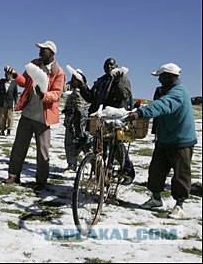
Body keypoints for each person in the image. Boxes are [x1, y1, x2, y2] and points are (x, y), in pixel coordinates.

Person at [127, 63, 197, 219]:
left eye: (161, 76)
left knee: (180, 174)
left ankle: (179, 205)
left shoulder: (178, 92)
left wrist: (141, 113)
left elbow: (163, 105)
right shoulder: (165, 90)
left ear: (171, 76)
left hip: (180, 141)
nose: (159, 79)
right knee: (156, 171)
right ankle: (156, 198)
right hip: (164, 140)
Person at [2, 40, 66, 192]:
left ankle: (41, 181)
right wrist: (15, 74)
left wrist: (44, 95)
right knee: (19, 146)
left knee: (42, 150)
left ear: (51, 53)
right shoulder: (34, 64)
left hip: (44, 118)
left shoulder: (59, 72)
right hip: (28, 113)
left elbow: (57, 94)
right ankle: (14, 175)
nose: (39, 52)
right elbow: (25, 82)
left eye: (43, 50)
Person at [77, 58, 135, 185]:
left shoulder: (123, 78)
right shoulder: (101, 80)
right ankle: (101, 174)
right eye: (106, 65)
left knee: (117, 146)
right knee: (99, 146)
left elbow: (123, 95)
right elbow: (91, 98)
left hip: (116, 118)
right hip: (101, 118)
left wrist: (117, 82)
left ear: (116, 66)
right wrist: (82, 86)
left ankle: (127, 171)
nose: (109, 66)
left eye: (111, 64)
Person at [62, 68, 89, 172]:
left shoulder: (77, 93)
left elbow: (79, 110)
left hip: (75, 123)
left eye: (74, 79)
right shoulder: (79, 91)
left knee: (70, 144)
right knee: (84, 145)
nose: (72, 81)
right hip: (77, 123)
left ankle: (72, 165)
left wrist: (77, 127)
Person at [0, 66, 18, 136]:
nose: (8, 76)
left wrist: (16, 102)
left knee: (10, 117)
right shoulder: (1, 81)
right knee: (2, 117)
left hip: (10, 103)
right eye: (6, 75)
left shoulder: (14, 83)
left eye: (9, 75)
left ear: (11, 76)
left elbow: (15, 94)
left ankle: (9, 130)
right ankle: (2, 130)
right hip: (2, 102)